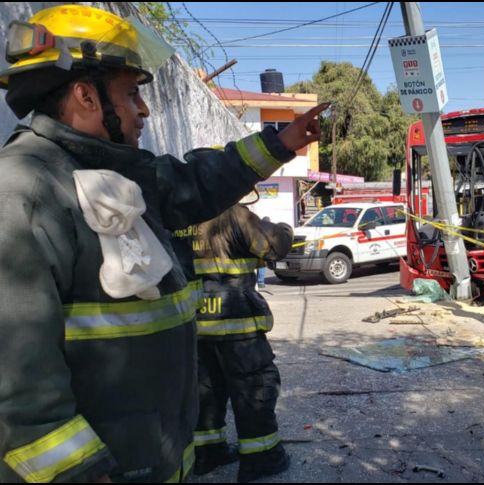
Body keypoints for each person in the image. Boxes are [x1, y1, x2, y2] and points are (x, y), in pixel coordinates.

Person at [0, 5, 325, 483]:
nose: (144, 110)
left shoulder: (111, 175)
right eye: (132, 93)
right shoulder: (23, 192)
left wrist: (282, 142)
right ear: (86, 96)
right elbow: (19, 388)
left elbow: (196, 181)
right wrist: (77, 473)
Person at [191, 204, 292, 481]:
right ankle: (262, 458)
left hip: (195, 323)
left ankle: (208, 453)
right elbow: (274, 246)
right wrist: (282, 229)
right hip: (237, 325)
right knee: (255, 387)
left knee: (206, 390)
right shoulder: (232, 214)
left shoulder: (181, 214)